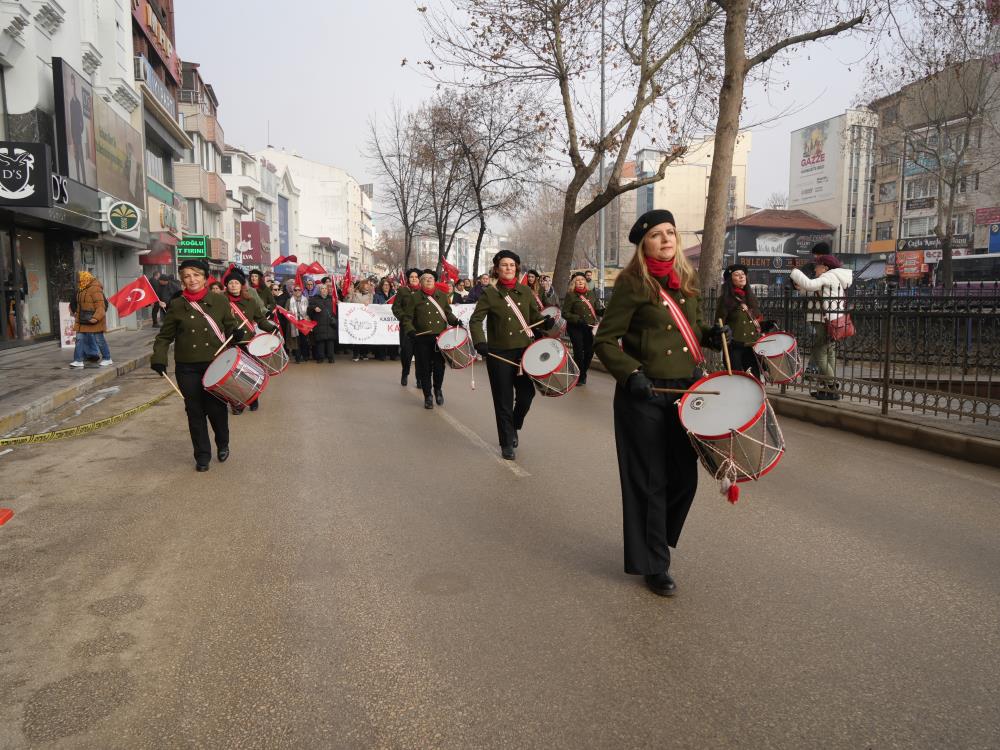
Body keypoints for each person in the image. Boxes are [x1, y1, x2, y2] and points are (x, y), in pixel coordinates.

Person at [594, 209, 730, 598]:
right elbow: (606, 340)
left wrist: (714, 334)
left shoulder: (684, 282)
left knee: (684, 478)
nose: (667, 239)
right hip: (646, 393)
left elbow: (693, 331)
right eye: (657, 235)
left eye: (670, 232)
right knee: (651, 481)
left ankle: (654, 539)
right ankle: (655, 563)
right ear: (644, 244)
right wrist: (631, 374)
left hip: (686, 392)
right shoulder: (632, 284)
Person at [151, 259, 245, 472]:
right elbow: (164, 337)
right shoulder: (176, 305)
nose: (191, 279)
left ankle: (223, 443)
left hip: (215, 364)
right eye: (186, 276)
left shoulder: (219, 301)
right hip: (187, 367)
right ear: (182, 280)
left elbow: (230, 327)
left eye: (196, 275)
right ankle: (202, 455)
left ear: (205, 277)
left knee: (216, 409)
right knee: (194, 411)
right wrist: (159, 358)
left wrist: (236, 334)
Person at [470, 251, 554, 459]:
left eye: (512, 265)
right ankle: (506, 442)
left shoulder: (525, 292)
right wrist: (480, 341)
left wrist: (545, 321)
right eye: (504, 265)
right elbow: (475, 320)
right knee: (503, 400)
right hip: (499, 354)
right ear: (497, 269)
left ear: (517, 268)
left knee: (527, 395)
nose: (508, 268)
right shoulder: (490, 293)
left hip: (524, 352)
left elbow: (533, 315)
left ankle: (515, 424)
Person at [789, 253, 853, 400]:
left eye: (817, 266)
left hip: (825, 321)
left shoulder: (829, 276)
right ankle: (826, 386)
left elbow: (810, 285)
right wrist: (800, 285)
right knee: (829, 352)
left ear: (825, 267)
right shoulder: (831, 277)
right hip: (829, 319)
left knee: (819, 352)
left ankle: (832, 384)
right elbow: (813, 290)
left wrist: (795, 272)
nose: (815, 269)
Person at [401, 269, 460, 409]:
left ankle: (438, 389)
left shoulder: (442, 296)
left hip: (440, 338)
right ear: (421, 282)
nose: (429, 280)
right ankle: (428, 396)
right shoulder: (414, 297)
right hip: (421, 339)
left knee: (439, 367)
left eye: (431, 278)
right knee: (424, 368)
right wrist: (410, 330)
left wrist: (456, 321)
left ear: (435, 282)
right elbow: (407, 318)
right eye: (425, 278)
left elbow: (447, 314)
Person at [224, 269, 277, 413]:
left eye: (236, 283)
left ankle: (253, 398)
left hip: (248, 343)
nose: (233, 285)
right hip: (230, 344)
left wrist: (271, 328)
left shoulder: (250, 301)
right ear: (227, 286)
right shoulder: (221, 301)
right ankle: (237, 403)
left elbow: (260, 320)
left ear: (242, 285)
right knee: (233, 376)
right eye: (230, 283)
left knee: (252, 373)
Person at [715, 264, 775, 379]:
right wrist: (729, 340)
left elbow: (752, 323)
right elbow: (719, 324)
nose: (741, 277)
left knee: (754, 380)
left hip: (751, 347)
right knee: (737, 380)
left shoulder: (749, 298)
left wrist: (764, 325)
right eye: (737, 275)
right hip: (734, 347)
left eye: (743, 274)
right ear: (730, 280)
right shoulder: (725, 300)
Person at [562, 271, 604, 385]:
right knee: (579, 352)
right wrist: (577, 319)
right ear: (573, 283)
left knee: (590, 352)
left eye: (582, 280)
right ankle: (581, 376)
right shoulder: (570, 295)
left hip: (589, 327)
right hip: (576, 328)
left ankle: (582, 372)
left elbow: (596, 310)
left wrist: (603, 311)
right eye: (577, 280)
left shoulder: (591, 293)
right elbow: (565, 313)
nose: (580, 282)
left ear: (585, 282)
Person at [69, 271, 112, 368]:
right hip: (83, 320)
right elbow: (79, 305)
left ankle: (107, 358)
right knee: (79, 339)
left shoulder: (95, 289)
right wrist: (76, 315)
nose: (78, 281)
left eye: (80, 279)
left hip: (94, 320)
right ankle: (78, 360)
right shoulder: (81, 289)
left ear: (85, 279)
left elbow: (101, 306)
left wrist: (95, 318)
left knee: (99, 340)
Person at [391, 269, 422, 387]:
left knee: (420, 354)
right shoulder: (403, 291)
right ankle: (405, 373)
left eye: (416, 277)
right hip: (406, 327)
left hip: (421, 328)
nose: (414, 279)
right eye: (411, 277)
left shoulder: (423, 291)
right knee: (406, 353)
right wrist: (404, 318)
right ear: (408, 279)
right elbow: (396, 308)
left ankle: (419, 378)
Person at [309, 283, 337, 363]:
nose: (324, 290)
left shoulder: (332, 299)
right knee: (320, 342)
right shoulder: (314, 299)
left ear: (327, 290)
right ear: (319, 290)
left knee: (330, 342)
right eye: (322, 288)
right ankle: (320, 358)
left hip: (330, 324)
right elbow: (309, 308)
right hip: (319, 324)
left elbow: (337, 310)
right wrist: (314, 308)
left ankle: (331, 357)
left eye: (325, 288)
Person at [349, 278, 375, 361]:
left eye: (369, 284)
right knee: (357, 337)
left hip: (366, 318)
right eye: (366, 284)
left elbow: (371, 306)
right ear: (362, 285)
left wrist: (369, 304)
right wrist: (350, 294)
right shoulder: (355, 294)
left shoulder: (371, 295)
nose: (368, 286)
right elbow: (348, 303)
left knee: (365, 336)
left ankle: (364, 354)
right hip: (357, 317)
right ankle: (356, 354)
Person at [286, 284, 311, 363]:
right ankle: (298, 358)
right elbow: (285, 311)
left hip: (304, 323)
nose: (297, 291)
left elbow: (309, 310)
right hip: (294, 324)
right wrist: (288, 312)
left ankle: (305, 356)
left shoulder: (305, 299)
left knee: (304, 341)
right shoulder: (289, 300)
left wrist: (308, 317)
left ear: (301, 291)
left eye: (299, 290)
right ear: (293, 291)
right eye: (295, 290)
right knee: (296, 341)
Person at [373, 277, 396, 361]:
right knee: (382, 337)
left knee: (392, 337)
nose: (386, 286)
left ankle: (393, 354)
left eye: (388, 285)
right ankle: (381, 355)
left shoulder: (394, 295)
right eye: (384, 285)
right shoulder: (377, 295)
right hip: (381, 320)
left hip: (392, 320)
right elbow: (375, 306)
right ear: (381, 286)